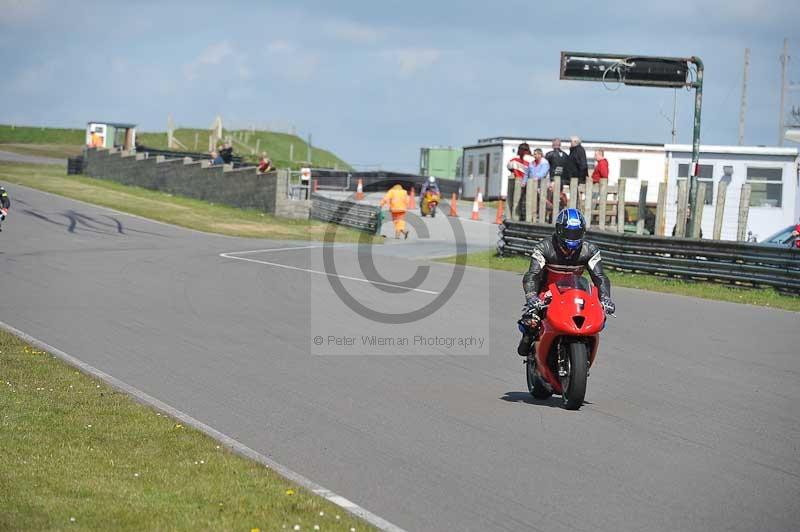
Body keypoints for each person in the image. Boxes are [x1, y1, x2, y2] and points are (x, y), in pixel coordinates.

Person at [517, 208, 615, 356]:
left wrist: (605, 298)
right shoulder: (543, 248)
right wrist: (531, 296)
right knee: (531, 322)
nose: (572, 237)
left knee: (598, 318)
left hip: (576, 293)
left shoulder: (590, 250)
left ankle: (584, 352)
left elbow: (600, 277)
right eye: (569, 233)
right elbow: (532, 275)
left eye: (576, 233)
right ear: (559, 230)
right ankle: (529, 342)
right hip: (547, 293)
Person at [521, 149, 549, 219]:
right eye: (534, 154)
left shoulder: (544, 163)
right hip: (531, 185)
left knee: (540, 201)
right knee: (529, 200)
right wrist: (524, 182)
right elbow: (526, 173)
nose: (534, 155)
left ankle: (541, 216)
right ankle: (528, 215)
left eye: (536, 154)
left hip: (540, 185)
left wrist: (536, 177)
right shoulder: (532, 163)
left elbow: (543, 173)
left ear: (540, 155)